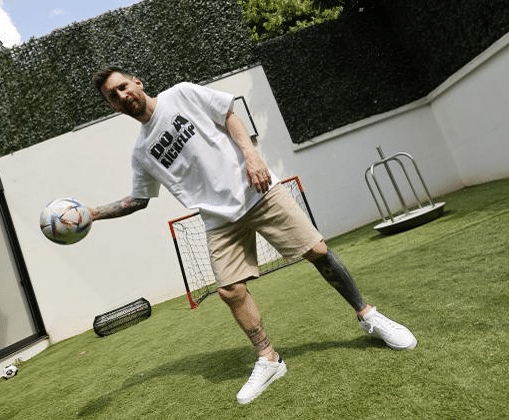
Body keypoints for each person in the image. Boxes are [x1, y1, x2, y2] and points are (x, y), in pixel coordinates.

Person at [90, 66, 417, 404]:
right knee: (230, 291)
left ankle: (368, 316)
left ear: (137, 82)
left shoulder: (181, 94)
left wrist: (251, 156)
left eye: (123, 86)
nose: (122, 95)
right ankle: (270, 359)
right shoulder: (141, 153)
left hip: (257, 189)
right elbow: (138, 200)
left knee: (317, 251)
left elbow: (228, 115)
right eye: (113, 96)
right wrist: (92, 214)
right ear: (113, 107)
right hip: (219, 219)